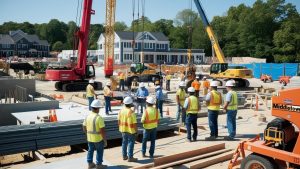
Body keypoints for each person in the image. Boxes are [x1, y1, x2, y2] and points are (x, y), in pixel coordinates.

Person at [82, 100, 107, 169]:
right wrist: (105, 140)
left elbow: (84, 126)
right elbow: (102, 131)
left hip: (90, 138)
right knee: (99, 151)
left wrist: (87, 133)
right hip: (98, 139)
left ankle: (90, 164)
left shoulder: (87, 116)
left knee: (90, 150)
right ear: (98, 108)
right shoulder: (99, 118)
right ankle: (99, 164)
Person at [118, 97, 138, 162]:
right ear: (130, 104)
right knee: (131, 143)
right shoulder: (131, 112)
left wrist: (120, 128)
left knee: (124, 143)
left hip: (123, 130)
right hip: (131, 131)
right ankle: (130, 157)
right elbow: (134, 124)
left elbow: (118, 121)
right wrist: (136, 131)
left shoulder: (121, 111)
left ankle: (124, 156)